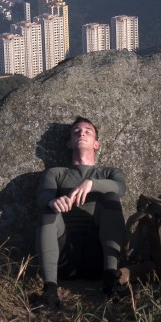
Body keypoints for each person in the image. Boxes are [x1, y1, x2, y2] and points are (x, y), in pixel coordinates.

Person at [33, 116, 126, 308]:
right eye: (76, 131)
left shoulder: (110, 173)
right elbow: (43, 195)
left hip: (97, 257)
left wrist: (92, 184)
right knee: (49, 208)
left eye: (87, 131)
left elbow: (120, 188)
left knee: (111, 197)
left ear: (96, 144)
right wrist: (53, 201)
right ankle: (50, 289)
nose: (81, 133)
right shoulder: (55, 173)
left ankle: (111, 280)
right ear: (69, 143)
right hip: (64, 257)